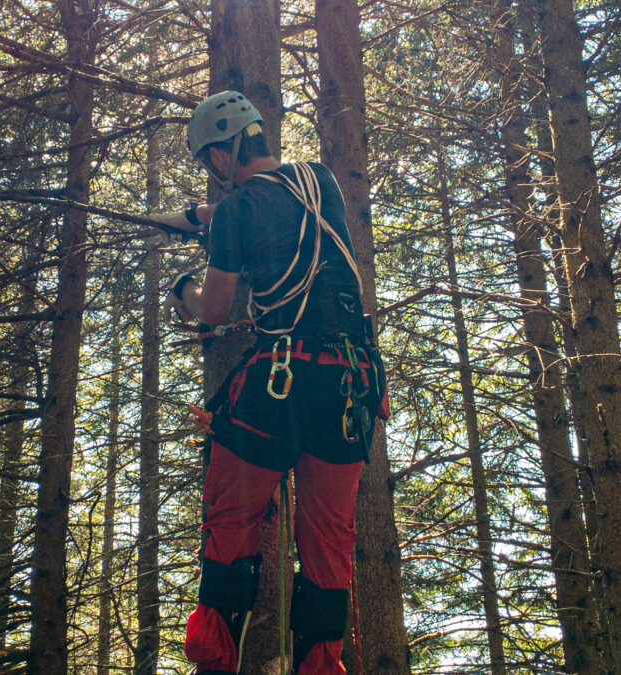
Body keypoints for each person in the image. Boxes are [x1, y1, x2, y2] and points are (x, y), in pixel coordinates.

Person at [152, 91, 388, 675]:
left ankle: (216, 659)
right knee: (329, 543)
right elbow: (269, 207)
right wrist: (198, 220)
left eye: (210, 160)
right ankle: (319, 663)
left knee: (231, 521)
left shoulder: (236, 215)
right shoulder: (318, 179)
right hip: (349, 388)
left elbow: (216, 310)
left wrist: (182, 291)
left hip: (279, 386)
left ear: (220, 154)